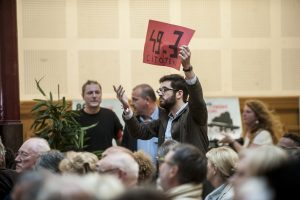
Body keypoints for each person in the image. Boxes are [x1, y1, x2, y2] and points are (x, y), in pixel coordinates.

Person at [114, 45, 208, 154]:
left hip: (190, 171)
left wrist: (187, 67)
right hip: (166, 170)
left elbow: (197, 99)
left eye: (164, 90)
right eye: (159, 91)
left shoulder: (194, 114)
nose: (160, 94)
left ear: (179, 94)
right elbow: (139, 132)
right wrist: (127, 108)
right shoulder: (164, 118)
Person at [77, 80, 123, 152]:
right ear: (83, 96)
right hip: (83, 162)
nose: (94, 96)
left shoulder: (110, 115)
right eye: (90, 93)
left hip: (106, 162)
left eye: (97, 92)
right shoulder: (75, 118)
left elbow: (121, 143)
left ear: (101, 95)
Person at [122, 83, 161, 164]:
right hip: (137, 174)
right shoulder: (131, 123)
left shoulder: (166, 118)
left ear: (147, 100)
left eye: (135, 99)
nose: (131, 103)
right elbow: (125, 150)